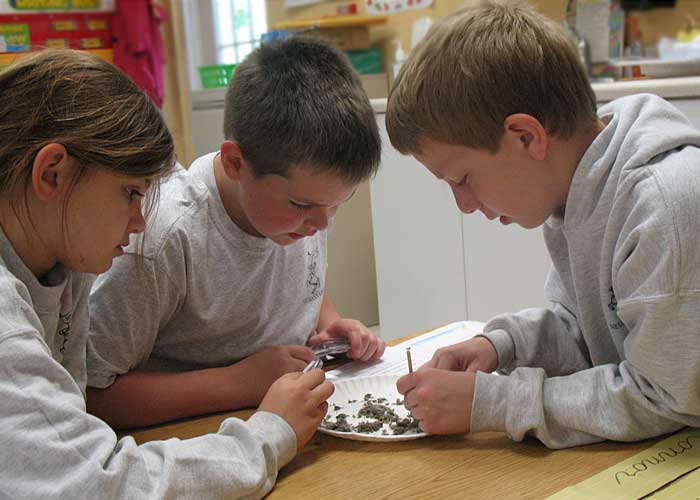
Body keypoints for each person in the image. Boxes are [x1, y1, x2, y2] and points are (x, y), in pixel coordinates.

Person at [0, 48, 333, 499]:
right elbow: (104, 484)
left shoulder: (61, 258)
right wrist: (268, 435)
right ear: (52, 174)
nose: (139, 222)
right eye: (130, 193)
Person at [389, 0, 700, 449]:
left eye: (463, 179)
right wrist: (503, 346)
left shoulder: (663, 203)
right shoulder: (571, 196)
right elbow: (593, 334)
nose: (464, 205)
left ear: (526, 137)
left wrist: (496, 404)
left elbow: (668, 395)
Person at [86, 36, 384, 429]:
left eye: (337, 204)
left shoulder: (301, 210)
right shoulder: (163, 238)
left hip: (285, 426)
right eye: (302, 206)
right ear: (235, 163)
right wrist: (239, 382)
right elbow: (92, 395)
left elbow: (300, 276)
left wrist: (326, 323)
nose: (322, 225)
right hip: (192, 442)